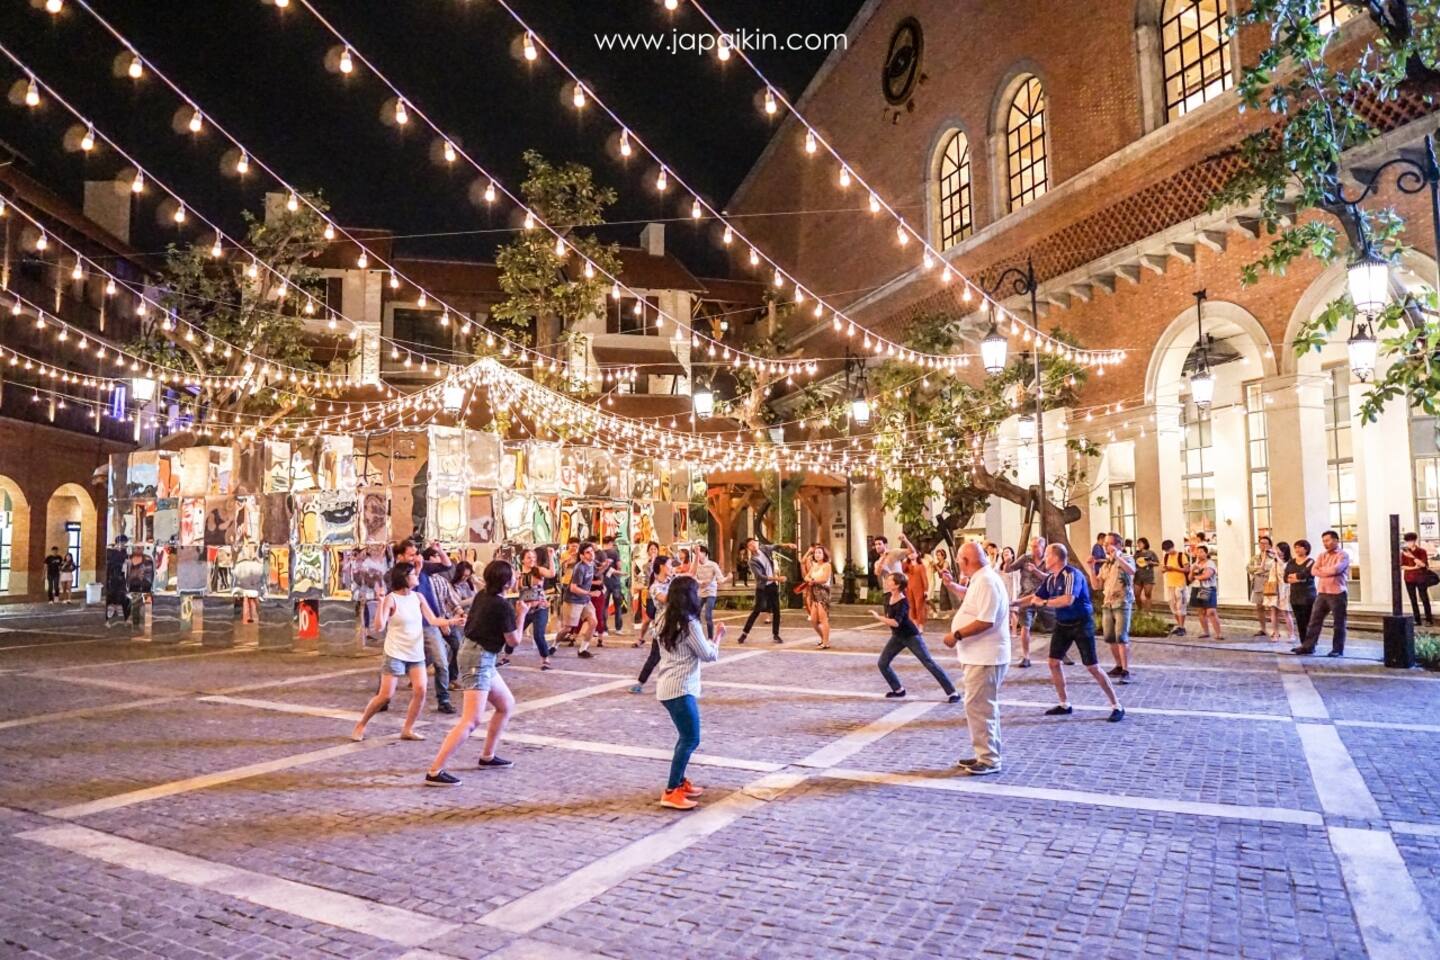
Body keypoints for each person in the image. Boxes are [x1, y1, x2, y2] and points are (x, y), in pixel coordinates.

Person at [424, 559, 539, 785]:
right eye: (513, 574)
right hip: (478, 658)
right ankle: (435, 770)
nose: (516, 576)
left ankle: (487, 756)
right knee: (471, 720)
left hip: (477, 653)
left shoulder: (483, 595)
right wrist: (522, 614)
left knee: (506, 704)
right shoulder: (501, 605)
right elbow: (514, 641)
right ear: (506, 582)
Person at [350, 562, 461, 743]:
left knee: (421, 690)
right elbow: (379, 626)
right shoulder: (391, 599)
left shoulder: (418, 597)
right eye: (413, 574)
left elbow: (433, 620)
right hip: (395, 652)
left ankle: (408, 729)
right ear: (404, 577)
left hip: (415, 653)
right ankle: (361, 724)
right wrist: (381, 602)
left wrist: (453, 621)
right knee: (385, 695)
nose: (417, 576)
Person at [1017, 543, 1124, 722]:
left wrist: (1044, 603)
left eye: (1047, 555)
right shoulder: (1052, 578)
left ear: (1055, 557)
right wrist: (1013, 603)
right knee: (1053, 663)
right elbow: (1035, 597)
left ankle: (1117, 706)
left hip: (1081, 624)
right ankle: (1064, 704)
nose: (1044, 558)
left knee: (1092, 667)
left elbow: (1067, 600)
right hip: (1063, 624)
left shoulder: (1071, 575)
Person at [650, 575, 722, 810]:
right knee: (690, 738)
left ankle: (680, 782)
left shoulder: (664, 618)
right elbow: (708, 654)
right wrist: (717, 637)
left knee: (685, 737)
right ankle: (671, 790)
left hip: (667, 685)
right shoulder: (689, 623)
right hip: (680, 688)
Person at [941, 542, 1011, 776]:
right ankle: (985, 752)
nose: (957, 563)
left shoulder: (987, 581)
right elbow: (972, 601)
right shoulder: (980, 579)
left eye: (959, 559)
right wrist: (951, 585)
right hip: (979, 656)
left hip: (986, 657)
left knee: (980, 707)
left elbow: (986, 620)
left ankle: (989, 758)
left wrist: (957, 635)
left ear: (966, 561)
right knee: (980, 706)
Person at [874, 571, 960, 702]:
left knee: (928, 662)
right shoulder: (887, 597)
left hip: (911, 636)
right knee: (882, 663)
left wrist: (878, 618)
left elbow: (896, 622)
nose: (887, 581)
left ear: (897, 585)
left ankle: (953, 693)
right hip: (897, 636)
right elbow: (890, 617)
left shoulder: (903, 602)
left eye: (890, 580)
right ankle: (898, 690)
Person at [406, 544, 456, 714]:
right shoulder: (400, 572)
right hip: (409, 626)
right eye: (411, 554)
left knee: (441, 662)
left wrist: (439, 550)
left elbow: (447, 566)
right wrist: (417, 570)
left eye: (416, 553)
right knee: (395, 664)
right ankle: (384, 696)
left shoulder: (426, 567)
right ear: (401, 556)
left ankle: (444, 699)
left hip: (429, 623)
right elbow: (407, 592)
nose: (415, 557)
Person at [1293, 530, 1349, 657]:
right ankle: (1308, 646)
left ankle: (1337, 649)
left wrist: (1322, 571)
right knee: (1314, 621)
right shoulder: (1322, 555)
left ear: (1336, 540)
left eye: (1328, 540)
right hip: (1322, 593)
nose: (1325, 543)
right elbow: (1313, 571)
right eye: (1323, 541)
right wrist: (1326, 571)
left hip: (1338, 593)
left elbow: (1336, 570)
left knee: (1339, 623)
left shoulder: (1343, 555)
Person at [1004, 536, 1053, 668]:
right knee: (1025, 627)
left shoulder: (1048, 559)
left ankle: (1061, 653)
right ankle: (1026, 657)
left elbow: (1049, 578)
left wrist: (1035, 570)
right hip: (1026, 598)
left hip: (1043, 597)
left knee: (1055, 626)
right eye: (1032, 546)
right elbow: (1008, 569)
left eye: (1036, 546)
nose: (1033, 549)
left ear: (1043, 547)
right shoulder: (1025, 558)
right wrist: (1007, 562)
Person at [1097, 532, 1135, 683]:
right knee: (1110, 637)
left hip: (1122, 602)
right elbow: (1097, 585)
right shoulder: (1106, 564)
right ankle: (1118, 666)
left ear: (1118, 545)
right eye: (1104, 544)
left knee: (1121, 637)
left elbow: (1131, 571)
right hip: (1107, 603)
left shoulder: (1126, 558)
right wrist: (1091, 567)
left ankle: (1126, 670)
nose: (1105, 546)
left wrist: (1118, 557)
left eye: (1109, 544)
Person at [738, 537, 787, 645]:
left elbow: (775, 546)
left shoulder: (764, 549)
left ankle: (776, 634)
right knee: (757, 610)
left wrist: (787, 545)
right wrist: (777, 579)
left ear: (757, 543)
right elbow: (761, 576)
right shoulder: (752, 561)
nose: (753, 545)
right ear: (748, 548)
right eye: (750, 545)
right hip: (762, 588)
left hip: (772, 586)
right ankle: (744, 633)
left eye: (754, 543)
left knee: (776, 610)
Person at [513, 549, 554, 669]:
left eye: (533, 557)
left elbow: (552, 574)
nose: (532, 560)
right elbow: (514, 590)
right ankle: (506, 656)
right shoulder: (519, 574)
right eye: (529, 557)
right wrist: (516, 579)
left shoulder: (538, 570)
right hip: (524, 609)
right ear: (522, 560)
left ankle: (545, 659)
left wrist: (551, 556)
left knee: (538, 634)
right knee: (514, 632)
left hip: (540, 607)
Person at [564, 542, 601, 658]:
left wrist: (606, 566)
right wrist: (590, 593)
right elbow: (573, 588)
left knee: (593, 622)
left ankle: (583, 650)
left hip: (585, 599)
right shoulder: (579, 568)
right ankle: (555, 645)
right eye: (588, 552)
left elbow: (597, 571)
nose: (591, 554)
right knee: (568, 628)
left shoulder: (592, 563)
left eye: (592, 551)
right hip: (574, 599)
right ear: (582, 555)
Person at [691, 544, 729, 640]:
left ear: (705, 553)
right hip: (700, 592)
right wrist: (700, 582)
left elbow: (720, 579)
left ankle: (710, 638)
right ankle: (697, 635)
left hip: (711, 592)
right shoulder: (695, 565)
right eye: (696, 553)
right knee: (695, 614)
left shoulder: (713, 565)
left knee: (708, 615)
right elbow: (692, 577)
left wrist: (727, 578)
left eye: (700, 552)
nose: (698, 555)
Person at [1247, 536, 1280, 639]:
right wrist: (1259, 570)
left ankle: (1275, 630)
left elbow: (1272, 569)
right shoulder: (1255, 557)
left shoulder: (1274, 557)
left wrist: (1260, 570)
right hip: (1257, 583)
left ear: (1270, 545)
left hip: (1269, 583)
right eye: (1261, 543)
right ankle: (1263, 629)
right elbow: (1249, 568)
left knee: (1272, 607)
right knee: (1259, 607)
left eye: (1265, 543)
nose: (1263, 545)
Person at [1189, 544, 1223, 640]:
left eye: (1201, 552)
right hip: (1197, 588)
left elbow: (1206, 576)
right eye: (1197, 552)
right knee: (1201, 611)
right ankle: (1205, 632)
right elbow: (1189, 578)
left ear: (1206, 553)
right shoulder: (1195, 564)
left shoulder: (1210, 563)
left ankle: (1219, 633)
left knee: (1211, 611)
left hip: (1206, 588)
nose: (1199, 554)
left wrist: (1196, 576)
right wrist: (1193, 570)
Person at [1286, 539, 1317, 644]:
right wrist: (1298, 578)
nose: (1297, 549)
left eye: (1299, 547)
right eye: (1295, 547)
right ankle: (1303, 643)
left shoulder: (1310, 562)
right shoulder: (1291, 562)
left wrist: (1296, 577)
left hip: (1308, 595)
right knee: (1299, 621)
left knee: (1308, 620)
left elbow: (1307, 575)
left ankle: (1311, 642)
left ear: (1306, 549)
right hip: (1295, 595)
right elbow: (1286, 577)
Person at [1402, 532, 1435, 626]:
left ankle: (1429, 620)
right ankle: (1417, 620)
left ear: (1414, 541)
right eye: (1407, 541)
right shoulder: (1404, 553)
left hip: (1421, 578)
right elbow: (1402, 566)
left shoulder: (1421, 551)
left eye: (1410, 541)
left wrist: (1412, 556)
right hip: (1408, 579)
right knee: (1413, 600)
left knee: (1424, 599)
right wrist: (1414, 567)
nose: (1408, 543)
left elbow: (1423, 565)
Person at [804, 544, 833, 649]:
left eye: (820, 553)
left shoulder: (827, 565)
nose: (817, 554)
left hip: (823, 594)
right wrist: (810, 580)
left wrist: (813, 581)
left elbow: (824, 579)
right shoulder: (814, 566)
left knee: (823, 619)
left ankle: (825, 642)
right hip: (814, 594)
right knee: (813, 620)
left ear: (824, 554)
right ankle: (823, 639)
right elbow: (806, 577)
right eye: (816, 553)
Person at [1161, 539, 1190, 636]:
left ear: (1173, 547)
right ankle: (1180, 626)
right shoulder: (1166, 557)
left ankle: (1182, 627)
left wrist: (1173, 568)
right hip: (1170, 584)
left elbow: (1187, 569)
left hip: (1180, 584)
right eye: (1166, 550)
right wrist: (1165, 569)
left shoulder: (1181, 555)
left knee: (1180, 606)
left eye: (1169, 549)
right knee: (1172, 606)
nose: (1168, 552)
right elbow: (1162, 570)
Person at [600, 535, 627, 636]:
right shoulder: (615, 552)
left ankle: (604, 629)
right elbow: (619, 566)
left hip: (604, 582)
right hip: (615, 582)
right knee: (618, 606)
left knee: (604, 606)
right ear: (611, 543)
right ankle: (618, 628)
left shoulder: (600, 553)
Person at [1272, 542, 1298, 643]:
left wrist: (1277, 557)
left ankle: (1291, 634)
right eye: (1276, 549)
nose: (1277, 551)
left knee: (1286, 612)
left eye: (1278, 549)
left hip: (1285, 589)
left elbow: (1284, 569)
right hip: (1275, 588)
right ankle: (1275, 633)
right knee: (1273, 612)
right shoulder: (1275, 561)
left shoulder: (1290, 562)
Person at [902, 544, 930, 630]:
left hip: (919, 589)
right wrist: (905, 560)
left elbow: (924, 578)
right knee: (911, 607)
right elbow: (903, 570)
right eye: (909, 553)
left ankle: (920, 625)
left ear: (917, 554)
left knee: (919, 607)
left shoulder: (921, 566)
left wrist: (926, 590)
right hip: (909, 589)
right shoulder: (907, 565)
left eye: (913, 553)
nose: (911, 555)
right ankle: (914, 624)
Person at [104, 536, 130, 624]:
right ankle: (108, 617)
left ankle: (126, 618)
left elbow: (126, 563)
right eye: (123, 543)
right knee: (110, 597)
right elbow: (109, 564)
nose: (124, 545)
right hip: (111, 578)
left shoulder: (124, 552)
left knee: (123, 598)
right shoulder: (110, 552)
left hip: (121, 578)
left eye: (124, 544)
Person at [1133, 537, 1158, 613]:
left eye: (1140, 543)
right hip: (1138, 576)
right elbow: (1133, 563)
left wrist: (1151, 563)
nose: (1139, 545)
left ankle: (1148, 611)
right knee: (1136, 594)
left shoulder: (1151, 553)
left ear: (1145, 544)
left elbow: (1157, 563)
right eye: (1138, 543)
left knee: (1148, 594)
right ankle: (1139, 609)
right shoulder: (1137, 554)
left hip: (1148, 576)